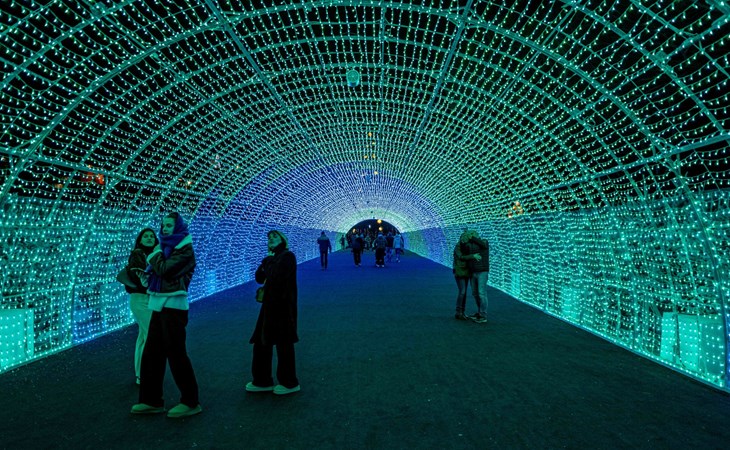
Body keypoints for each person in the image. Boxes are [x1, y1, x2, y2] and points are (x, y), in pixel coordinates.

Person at [131, 212, 202, 418]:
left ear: (178, 227)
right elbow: (158, 273)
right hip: (158, 305)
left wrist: (154, 256)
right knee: (151, 353)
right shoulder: (163, 249)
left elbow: (164, 270)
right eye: (163, 225)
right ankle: (151, 400)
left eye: (169, 225)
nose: (164, 229)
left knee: (176, 354)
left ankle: (190, 401)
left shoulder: (185, 250)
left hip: (174, 307)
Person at [246, 230, 300, 395]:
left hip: (283, 306)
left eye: (275, 236)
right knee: (261, 342)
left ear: (283, 239)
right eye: (269, 237)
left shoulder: (287, 256)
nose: (271, 239)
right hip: (269, 306)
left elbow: (275, 275)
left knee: (284, 343)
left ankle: (289, 382)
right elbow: (259, 278)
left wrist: (267, 261)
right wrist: (267, 261)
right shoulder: (272, 258)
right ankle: (262, 380)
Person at [125, 228, 158, 385]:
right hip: (141, 299)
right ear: (140, 240)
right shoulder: (138, 254)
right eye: (146, 236)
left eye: (152, 236)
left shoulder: (153, 254)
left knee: (143, 337)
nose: (149, 238)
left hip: (146, 299)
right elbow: (139, 277)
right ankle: (145, 373)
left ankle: (140, 374)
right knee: (151, 336)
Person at [461, 230, 489, 324]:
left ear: (476, 235)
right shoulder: (470, 245)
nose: (471, 236)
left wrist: (472, 237)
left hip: (482, 272)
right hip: (473, 272)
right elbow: (464, 251)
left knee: (481, 294)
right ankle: (479, 312)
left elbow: (483, 245)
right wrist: (463, 240)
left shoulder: (484, 241)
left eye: (472, 234)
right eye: (470, 234)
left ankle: (483, 315)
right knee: (475, 294)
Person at [452, 231, 474, 320]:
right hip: (459, 271)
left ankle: (462, 312)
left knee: (464, 292)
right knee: (462, 291)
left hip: (466, 271)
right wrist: (472, 256)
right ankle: (458, 312)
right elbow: (461, 257)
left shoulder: (467, 246)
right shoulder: (458, 247)